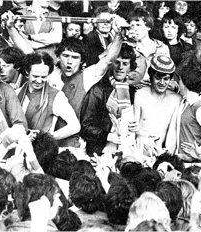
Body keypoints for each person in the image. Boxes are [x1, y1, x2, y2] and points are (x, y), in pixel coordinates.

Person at [46, 15, 125, 148]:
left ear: (82, 60)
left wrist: (119, 35)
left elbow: (108, 60)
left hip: (73, 144)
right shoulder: (51, 73)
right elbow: (27, 51)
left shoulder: (86, 76)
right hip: (46, 141)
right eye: (65, 56)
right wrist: (11, 28)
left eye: (75, 57)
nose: (69, 62)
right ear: (58, 57)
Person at [80, 43, 137, 155]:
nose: (120, 67)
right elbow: (85, 125)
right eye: (117, 62)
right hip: (100, 149)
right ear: (111, 64)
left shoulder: (132, 92)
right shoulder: (98, 90)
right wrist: (107, 136)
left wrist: (134, 126)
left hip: (125, 147)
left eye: (125, 64)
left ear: (130, 67)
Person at [17, 52, 80, 142]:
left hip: (41, 149)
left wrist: (48, 137)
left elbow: (75, 126)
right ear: (27, 72)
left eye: (43, 77)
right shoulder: (16, 93)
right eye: (35, 76)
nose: (39, 81)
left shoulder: (56, 96)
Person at [134, 55, 181, 154]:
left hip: (159, 153)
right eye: (158, 78)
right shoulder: (139, 94)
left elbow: (172, 135)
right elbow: (132, 129)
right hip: (137, 151)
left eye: (166, 79)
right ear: (151, 76)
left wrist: (166, 157)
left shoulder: (175, 100)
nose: (162, 82)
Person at [125, 7, 170, 84]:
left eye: (138, 25)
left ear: (148, 27)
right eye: (132, 26)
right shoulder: (127, 46)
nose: (135, 29)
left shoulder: (162, 48)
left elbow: (167, 74)